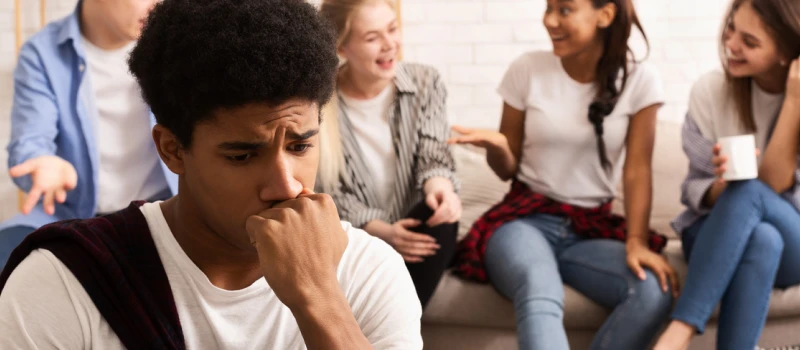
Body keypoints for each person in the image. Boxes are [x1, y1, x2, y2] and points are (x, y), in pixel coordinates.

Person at [0, 0, 422, 349]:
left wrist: (319, 297)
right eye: (242, 156)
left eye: (300, 146)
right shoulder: (62, 282)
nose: (286, 185)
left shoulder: (371, 273)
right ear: (172, 149)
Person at [448, 0, 677, 348]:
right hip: (523, 222)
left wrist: (636, 242)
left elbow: (636, 172)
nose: (550, 20)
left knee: (651, 291)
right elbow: (507, 169)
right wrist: (498, 148)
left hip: (590, 230)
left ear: (605, 15)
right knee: (540, 285)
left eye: (565, 10)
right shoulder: (527, 70)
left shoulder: (640, 82)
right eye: (548, 7)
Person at [654, 0, 800, 349]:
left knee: (754, 198)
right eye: (731, 29)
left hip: (795, 245)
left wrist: (794, 101)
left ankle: (680, 330)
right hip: (712, 233)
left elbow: (776, 188)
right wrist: (723, 186)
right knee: (762, 238)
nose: (731, 45)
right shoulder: (710, 92)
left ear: (786, 53)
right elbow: (695, 190)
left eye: (749, 42)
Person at [0, 0, 176, 268]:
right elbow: (29, 144)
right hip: (73, 213)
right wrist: (43, 164)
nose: (158, 4)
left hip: (160, 210)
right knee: (9, 252)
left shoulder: (176, 43)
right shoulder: (42, 53)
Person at [317, 0, 461, 308]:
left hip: (415, 234)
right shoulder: (319, 102)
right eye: (372, 38)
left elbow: (433, 153)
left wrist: (441, 189)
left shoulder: (426, 82)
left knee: (439, 216)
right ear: (342, 49)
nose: (390, 45)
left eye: (392, 29)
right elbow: (328, 192)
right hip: (357, 238)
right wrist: (382, 231)